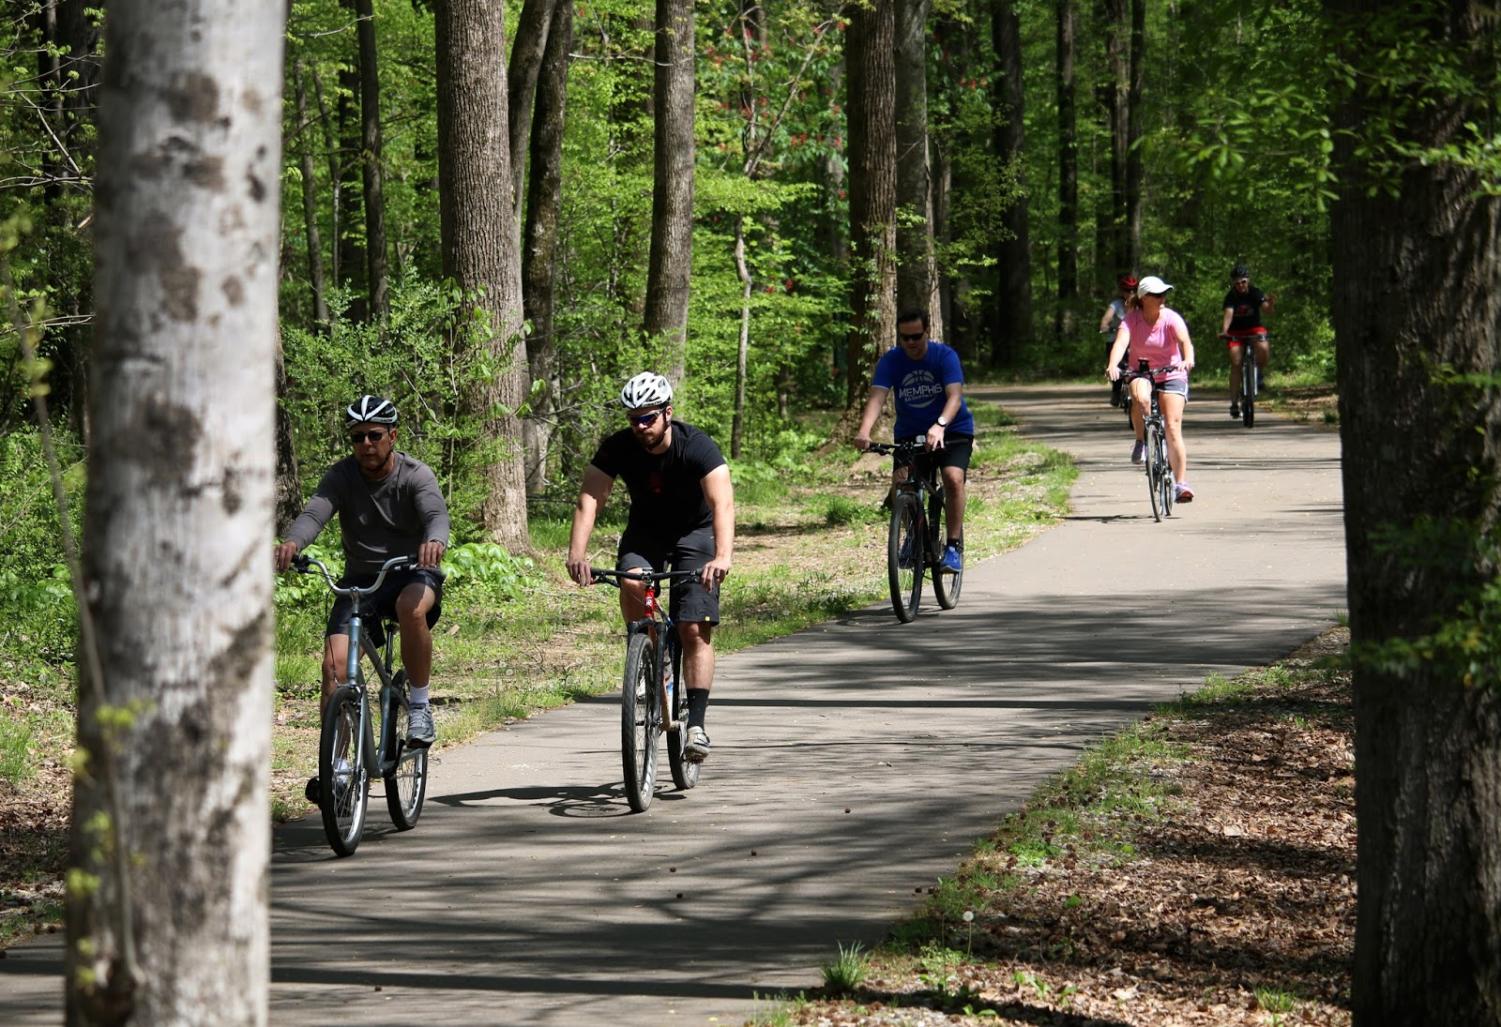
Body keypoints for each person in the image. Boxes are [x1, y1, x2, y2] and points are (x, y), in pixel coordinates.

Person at [274, 395, 450, 802]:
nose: (366, 444)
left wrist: (435, 541)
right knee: (334, 670)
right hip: (360, 580)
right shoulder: (342, 476)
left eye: (374, 435)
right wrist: (292, 542)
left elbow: (435, 515)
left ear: (392, 436)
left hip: (412, 571)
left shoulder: (415, 475)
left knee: (410, 609)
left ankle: (420, 707)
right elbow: (316, 513)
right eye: (357, 437)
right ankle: (336, 768)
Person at [566, 372, 734, 763]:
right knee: (632, 580)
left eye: (648, 417)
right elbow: (590, 498)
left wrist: (722, 555)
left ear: (667, 413)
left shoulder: (697, 446)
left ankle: (696, 724)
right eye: (633, 419)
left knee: (694, 626)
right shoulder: (618, 448)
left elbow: (722, 502)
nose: (641, 426)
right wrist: (578, 552)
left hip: (696, 533)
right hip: (647, 533)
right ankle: (645, 649)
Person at [853, 308, 975, 573]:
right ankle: (913, 537)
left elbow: (954, 396)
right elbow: (877, 397)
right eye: (905, 338)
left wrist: (940, 425)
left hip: (952, 429)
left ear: (927, 332)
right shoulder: (892, 361)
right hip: (910, 432)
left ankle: (953, 548)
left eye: (916, 337)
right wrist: (864, 431)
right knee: (902, 483)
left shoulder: (944, 356)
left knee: (953, 479)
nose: (911, 343)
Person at [1105, 276, 1197, 503]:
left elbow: (1185, 342)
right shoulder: (1131, 319)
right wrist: (1113, 365)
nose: (1162, 297)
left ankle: (1181, 484)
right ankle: (1142, 440)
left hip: (1172, 372)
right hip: (1141, 371)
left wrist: (1188, 360)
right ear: (1145, 298)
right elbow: (1120, 344)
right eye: (1157, 294)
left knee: (1173, 427)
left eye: (1164, 293)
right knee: (1140, 398)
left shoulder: (1171, 318)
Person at [1220, 263, 1275, 419]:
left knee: (1263, 347)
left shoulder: (1255, 292)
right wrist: (1225, 331)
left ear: (1248, 280)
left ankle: (1258, 374)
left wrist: (1270, 304)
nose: (1241, 285)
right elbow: (1229, 314)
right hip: (1236, 331)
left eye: (1243, 282)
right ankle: (1234, 403)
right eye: (1237, 283)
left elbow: (1266, 309)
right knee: (1236, 361)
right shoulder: (1231, 296)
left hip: (1254, 329)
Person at [1098, 273, 1138, 407]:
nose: (1131, 293)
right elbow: (1106, 319)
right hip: (1115, 340)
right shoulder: (1116, 305)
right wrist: (1105, 326)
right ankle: (1116, 391)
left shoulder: (1141, 305)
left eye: (1134, 290)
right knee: (1116, 365)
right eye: (1128, 290)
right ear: (1122, 291)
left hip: (1135, 340)